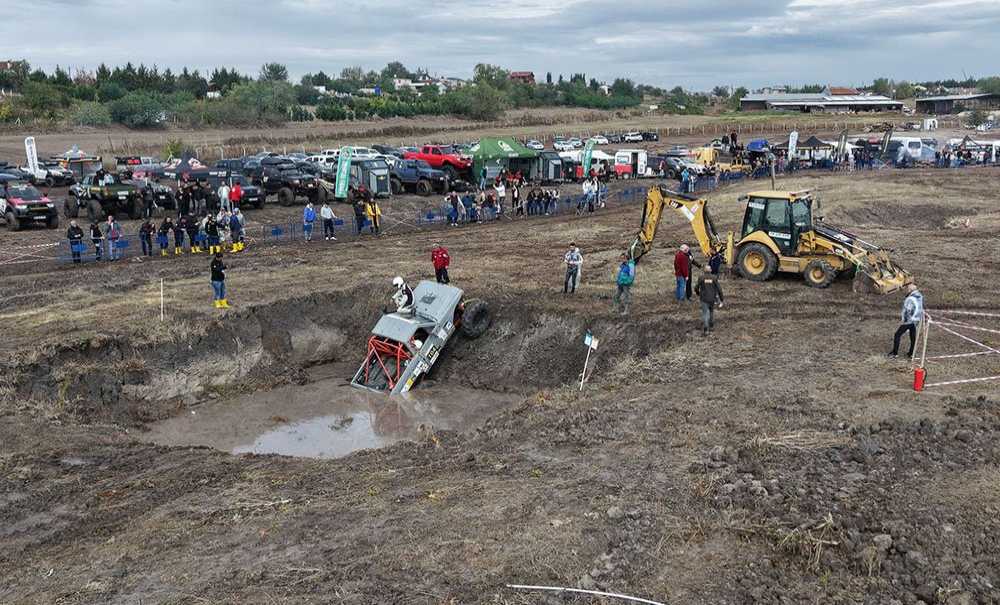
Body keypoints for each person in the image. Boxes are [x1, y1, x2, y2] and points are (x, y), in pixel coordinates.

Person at [889, 283, 924, 359]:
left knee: (897, 334)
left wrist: (904, 321)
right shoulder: (920, 296)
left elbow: (907, 311)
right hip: (916, 320)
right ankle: (911, 353)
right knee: (913, 336)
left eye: (908, 289)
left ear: (911, 290)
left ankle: (895, 353)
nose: (906, 290)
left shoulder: (910, 299)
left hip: (909, 320)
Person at [694, 266, 724, 336]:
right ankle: (711, 325)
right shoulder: (714, 278)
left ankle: (706, 329)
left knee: (705, 313)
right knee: (711, 311)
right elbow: (719, 289)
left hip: (704, 299)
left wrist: (698, 293)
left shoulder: (701, 278)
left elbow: (696, 287)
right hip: (712, 298)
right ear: (710, 270)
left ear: (704, 271)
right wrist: (721, 299)